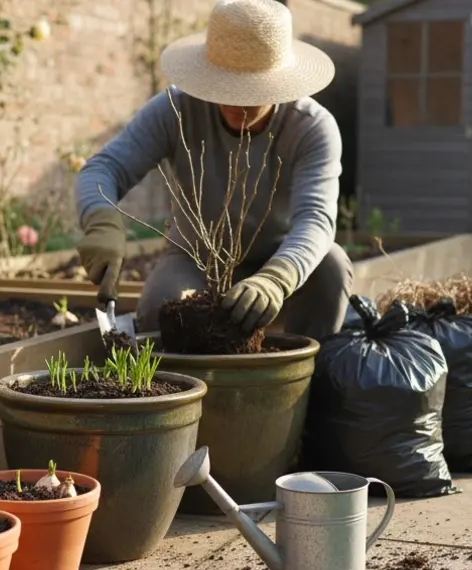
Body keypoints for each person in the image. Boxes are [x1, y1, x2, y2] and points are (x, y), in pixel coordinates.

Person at [73, 0, 352, 339]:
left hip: (275, 256)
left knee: (331, 268)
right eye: (225, 86)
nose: (236, 102)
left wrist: (277, 278)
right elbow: (103, 169)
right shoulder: (177, 109)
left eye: (251, 91)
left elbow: (316, 220)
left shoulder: (310, 127)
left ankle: (307, 382)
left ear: (279, 83)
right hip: (193, 261)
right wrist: (101, 220)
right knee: (160, 311)